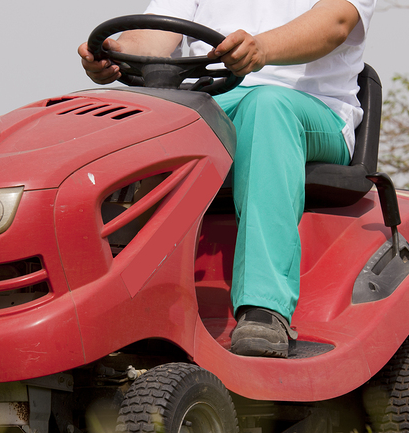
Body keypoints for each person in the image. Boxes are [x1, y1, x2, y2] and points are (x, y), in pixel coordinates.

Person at [79, 0, 376, 358]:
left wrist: (262, 49)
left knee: (266, 106)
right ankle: (112, 301)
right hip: (212, 102)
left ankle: (265, 309)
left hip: (308, 108)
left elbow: (336, 24)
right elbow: (153, 36)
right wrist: (113, 54)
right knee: (118, 119)